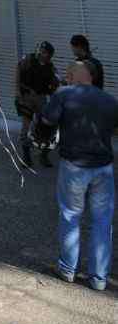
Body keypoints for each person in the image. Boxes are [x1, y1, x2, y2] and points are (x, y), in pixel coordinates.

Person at [41, 61, 117, 291]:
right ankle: (99, 278)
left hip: (74, 166)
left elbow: (47, 120)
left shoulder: (64, 93)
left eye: (69, 72)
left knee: (70, 216)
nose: (66, 76)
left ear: (79, 75)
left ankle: (67, 269)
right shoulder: (109, 100)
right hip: (103, 167)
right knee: (102, 222)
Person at [16, 41, 59, 167]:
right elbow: (18, 71)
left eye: (48, 54)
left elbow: (54, 82)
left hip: (41, 98)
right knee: (26, 127)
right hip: (27, 96)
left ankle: (43, 155)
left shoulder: (50, 66)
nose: (45, 55)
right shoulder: (29, 59)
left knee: (48, 127)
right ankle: (26, 156)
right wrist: (17, 92)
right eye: (44, 52)